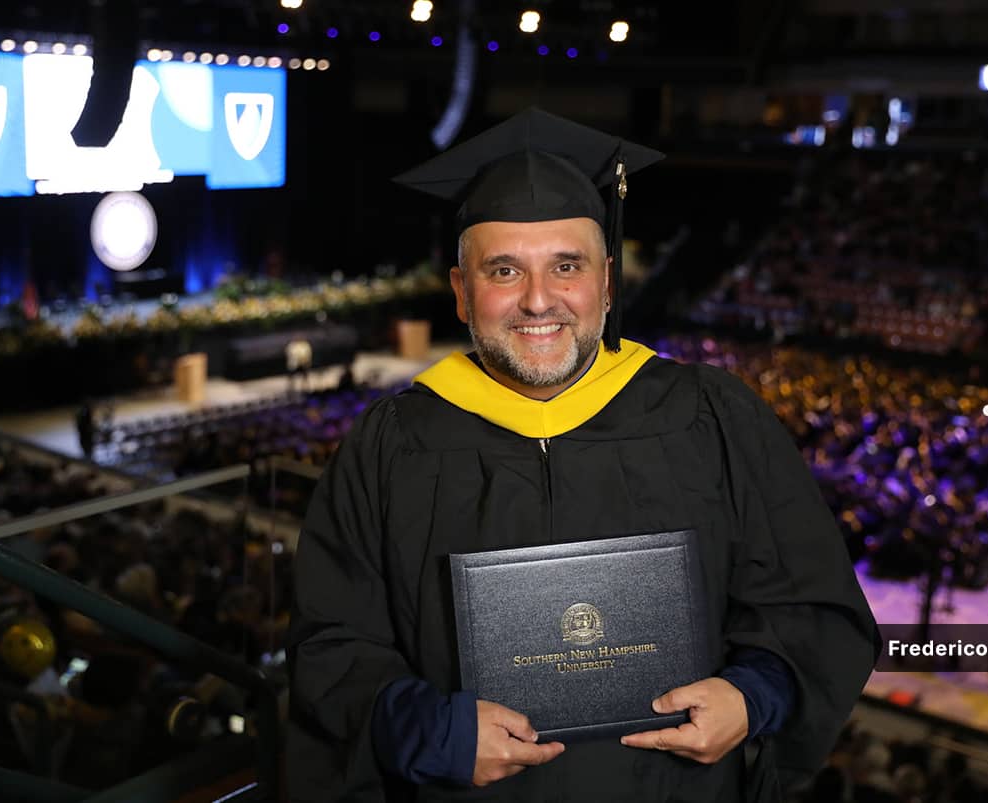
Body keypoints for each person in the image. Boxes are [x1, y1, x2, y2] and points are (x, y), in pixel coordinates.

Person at [287, 109, 878, 801]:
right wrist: (428, 730)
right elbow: (331, 646)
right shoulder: (392, 445)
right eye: (504, 270)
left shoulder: (710, 417)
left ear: (607, 282)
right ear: (461, 293)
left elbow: (815, 609)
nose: (538, 300)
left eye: (566, 266)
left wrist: (756, 695)